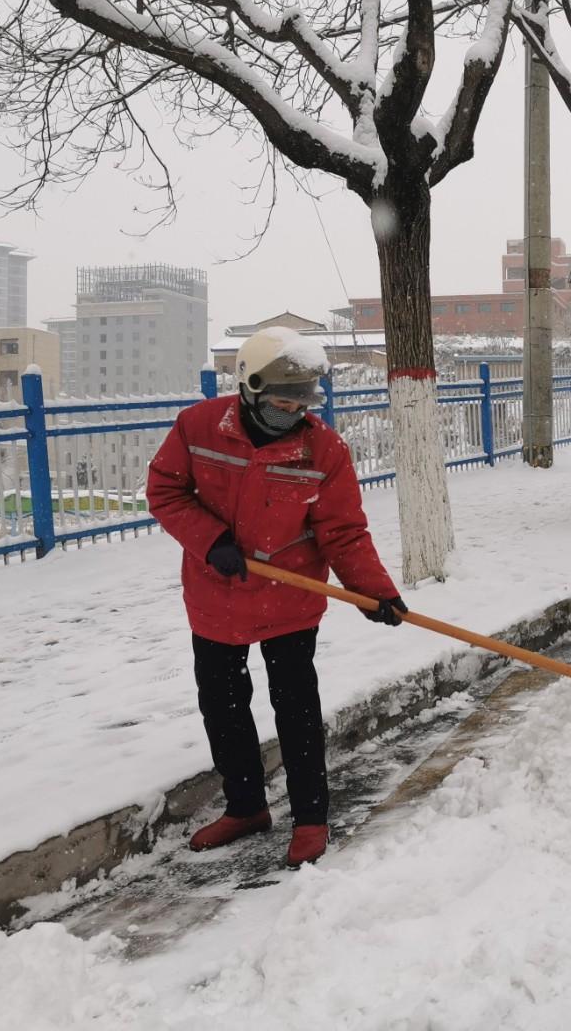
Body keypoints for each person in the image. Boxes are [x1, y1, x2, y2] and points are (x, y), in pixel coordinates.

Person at [147, 327, 407, 869]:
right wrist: (210, 540)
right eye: (282, 399)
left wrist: (374, 592)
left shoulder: (323, 448)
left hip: (289, 596)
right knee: (224, 708)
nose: (293, 409)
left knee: (296, 708)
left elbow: (343, 531)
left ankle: (311, 817)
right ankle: (245, 807)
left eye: (303, 399)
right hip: (216, 594)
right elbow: (165, 490)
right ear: (250, 388)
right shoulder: (198, 428)